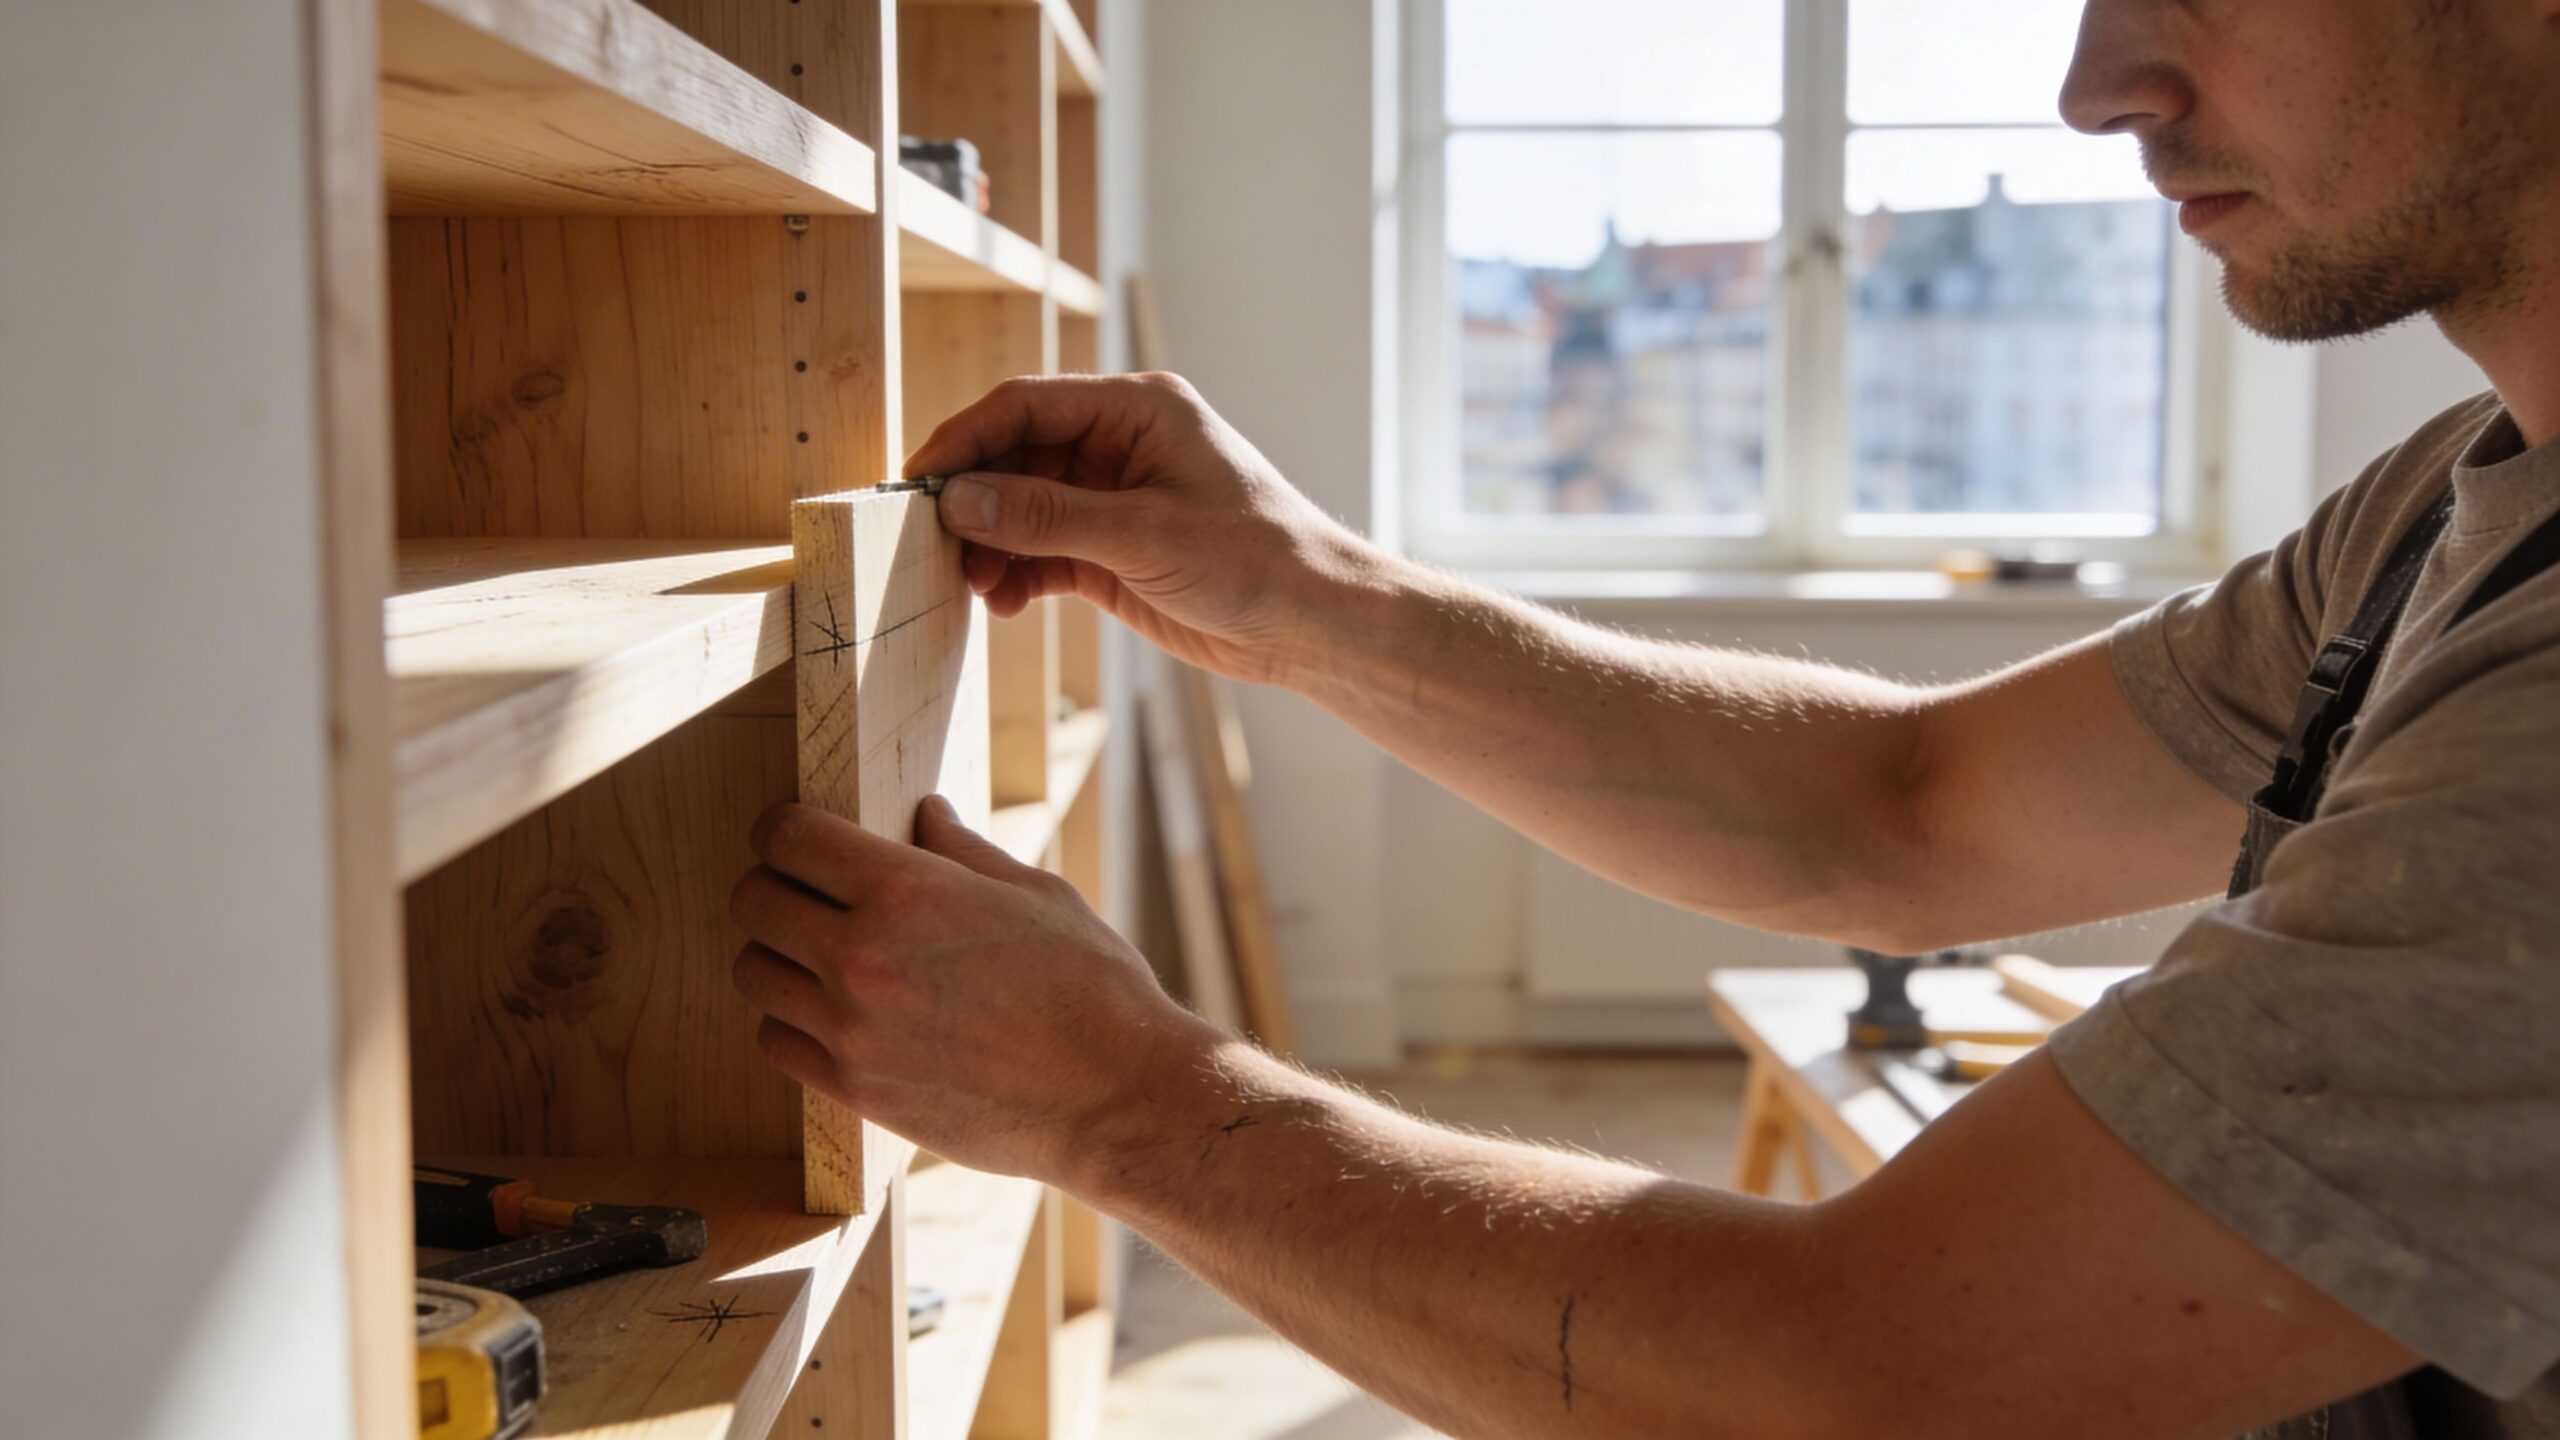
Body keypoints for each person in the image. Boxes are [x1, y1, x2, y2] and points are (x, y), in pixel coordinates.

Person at [723, 0, 2560, 1434]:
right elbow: (1901, 808)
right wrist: (1308, 595)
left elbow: (1864, 1381)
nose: (2094, 86)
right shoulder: (2451, 503)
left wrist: (1121, 1104)